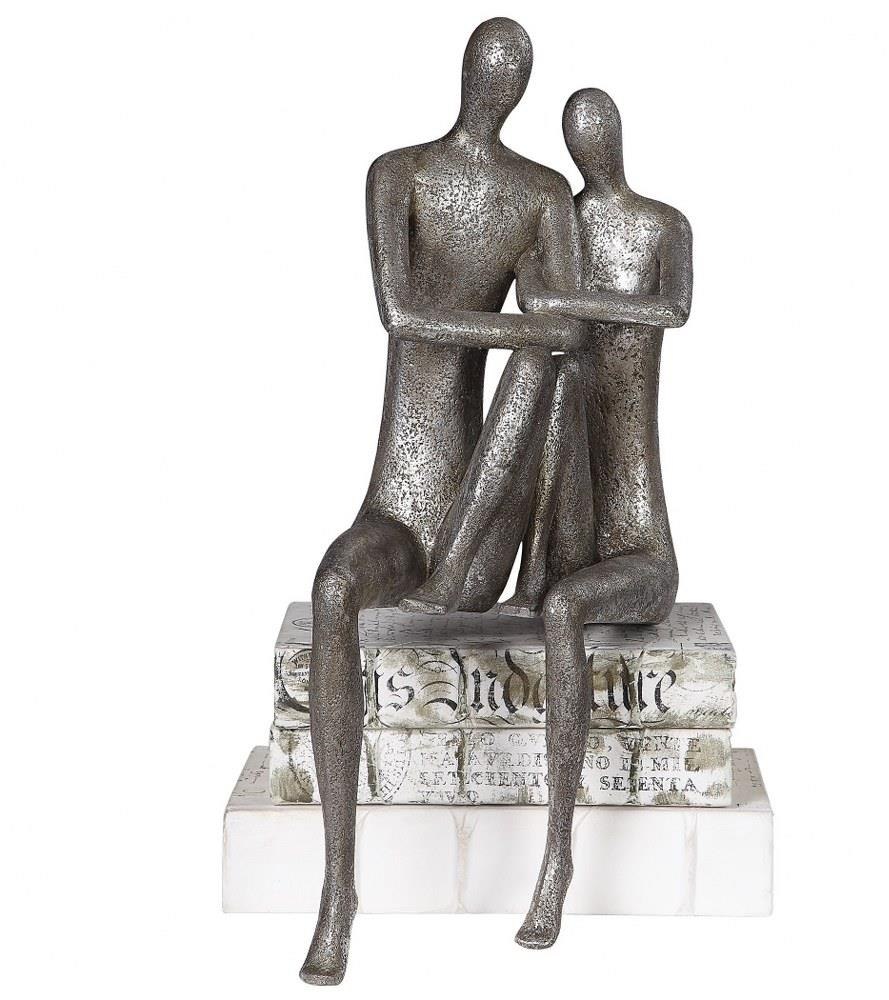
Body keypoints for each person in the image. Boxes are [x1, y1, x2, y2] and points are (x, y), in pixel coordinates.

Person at [301, 18, 588, 986]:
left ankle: (543, 862)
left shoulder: (540, 195)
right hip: (399, 506)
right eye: (491, 69)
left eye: (510, 75)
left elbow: (567, 341)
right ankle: (337, 890)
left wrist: (536, 332)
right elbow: (400, 313)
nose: (496, 85)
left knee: (544, 364)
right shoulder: (400, 177)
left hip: (480, 514)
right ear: (470, 73)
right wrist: (523, 326)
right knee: (334, 586)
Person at [404, 87, 693, 950]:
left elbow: (674, 309)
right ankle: (468, 561)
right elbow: (535, 316)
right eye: (575, 132)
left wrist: (571, 305)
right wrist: (548, 317)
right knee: (545, 366)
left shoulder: (661, 226)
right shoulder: (555, 221)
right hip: (566, 525)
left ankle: (556, 860)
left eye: (595, 128)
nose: (587, 142)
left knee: (566, 609)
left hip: (635, 542)